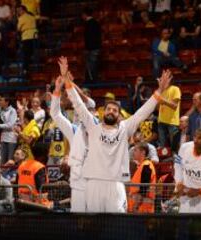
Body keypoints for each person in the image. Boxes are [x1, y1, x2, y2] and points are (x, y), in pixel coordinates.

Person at [60, 56, 171, 212]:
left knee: (117, 226)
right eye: (108, 109)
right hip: (94, 183)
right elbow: (78, 105)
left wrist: (159, 92)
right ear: (103, 112)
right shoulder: (93, 126)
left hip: (116, 184)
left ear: (119, 115)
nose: (111, 111)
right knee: (93, 226)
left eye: (115, 110)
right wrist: (66, 79)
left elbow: (142, 113)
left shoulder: (125, 128)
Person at [50, 76, 96, 212]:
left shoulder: (102, 131)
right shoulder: (75, 131)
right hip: (78, 184)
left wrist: (69, 82)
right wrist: (57, 89)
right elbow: (55, 114)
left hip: (96, 182)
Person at [17, 143, 52, 208]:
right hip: (37, 205)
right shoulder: (39, 167)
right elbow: (41, 189)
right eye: (48, 154)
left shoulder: (22, 165)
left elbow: (17, 184)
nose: (49, 156)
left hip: (22, 203)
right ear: (43, 156)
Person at [127, 142, 156, 213]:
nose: (133, 152)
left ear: (143, 152)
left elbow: (143, 190)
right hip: (139, 209)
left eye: (136, 150)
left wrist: (135, 207)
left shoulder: (146, 166)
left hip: (141, 210)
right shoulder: (142, 166)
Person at [156, 72, 181, 153]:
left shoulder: (175, 89)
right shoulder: (161, 90)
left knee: (174, 147)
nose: (161, 78)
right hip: (161, 121)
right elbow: (157, 107)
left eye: (163, 77)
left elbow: (174, 105)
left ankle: (176, 163)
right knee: (162, 148)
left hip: (172, 122)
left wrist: (163, 101)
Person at [0, 95, 18, 164]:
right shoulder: (2, 110)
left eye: (1, 100)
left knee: (10, 160)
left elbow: (10, 125)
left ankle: (9, 174)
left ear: (7, 102)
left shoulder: (13, 111)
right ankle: (2, 174)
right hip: (4, 138)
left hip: (11, 138)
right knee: (2, 159)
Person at [82, 7, 101, 82]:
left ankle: (92, 81)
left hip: (91, 49)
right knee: (92, 66)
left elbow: (88, 37)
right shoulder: (96, 23)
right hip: (95, 47)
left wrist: (87, 49)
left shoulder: (88, 24)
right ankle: (92, 80)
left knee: (91, 66)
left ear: (85, 14)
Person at [17, 5, 38, 74]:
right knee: (31, 52)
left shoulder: (21, 18)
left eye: (20, 10)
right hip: (35, 36)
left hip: (26, 37)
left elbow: (18, 28)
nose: (18, 12)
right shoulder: (32, 17)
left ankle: (25, 69)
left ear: (24, 10)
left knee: (26, 54)